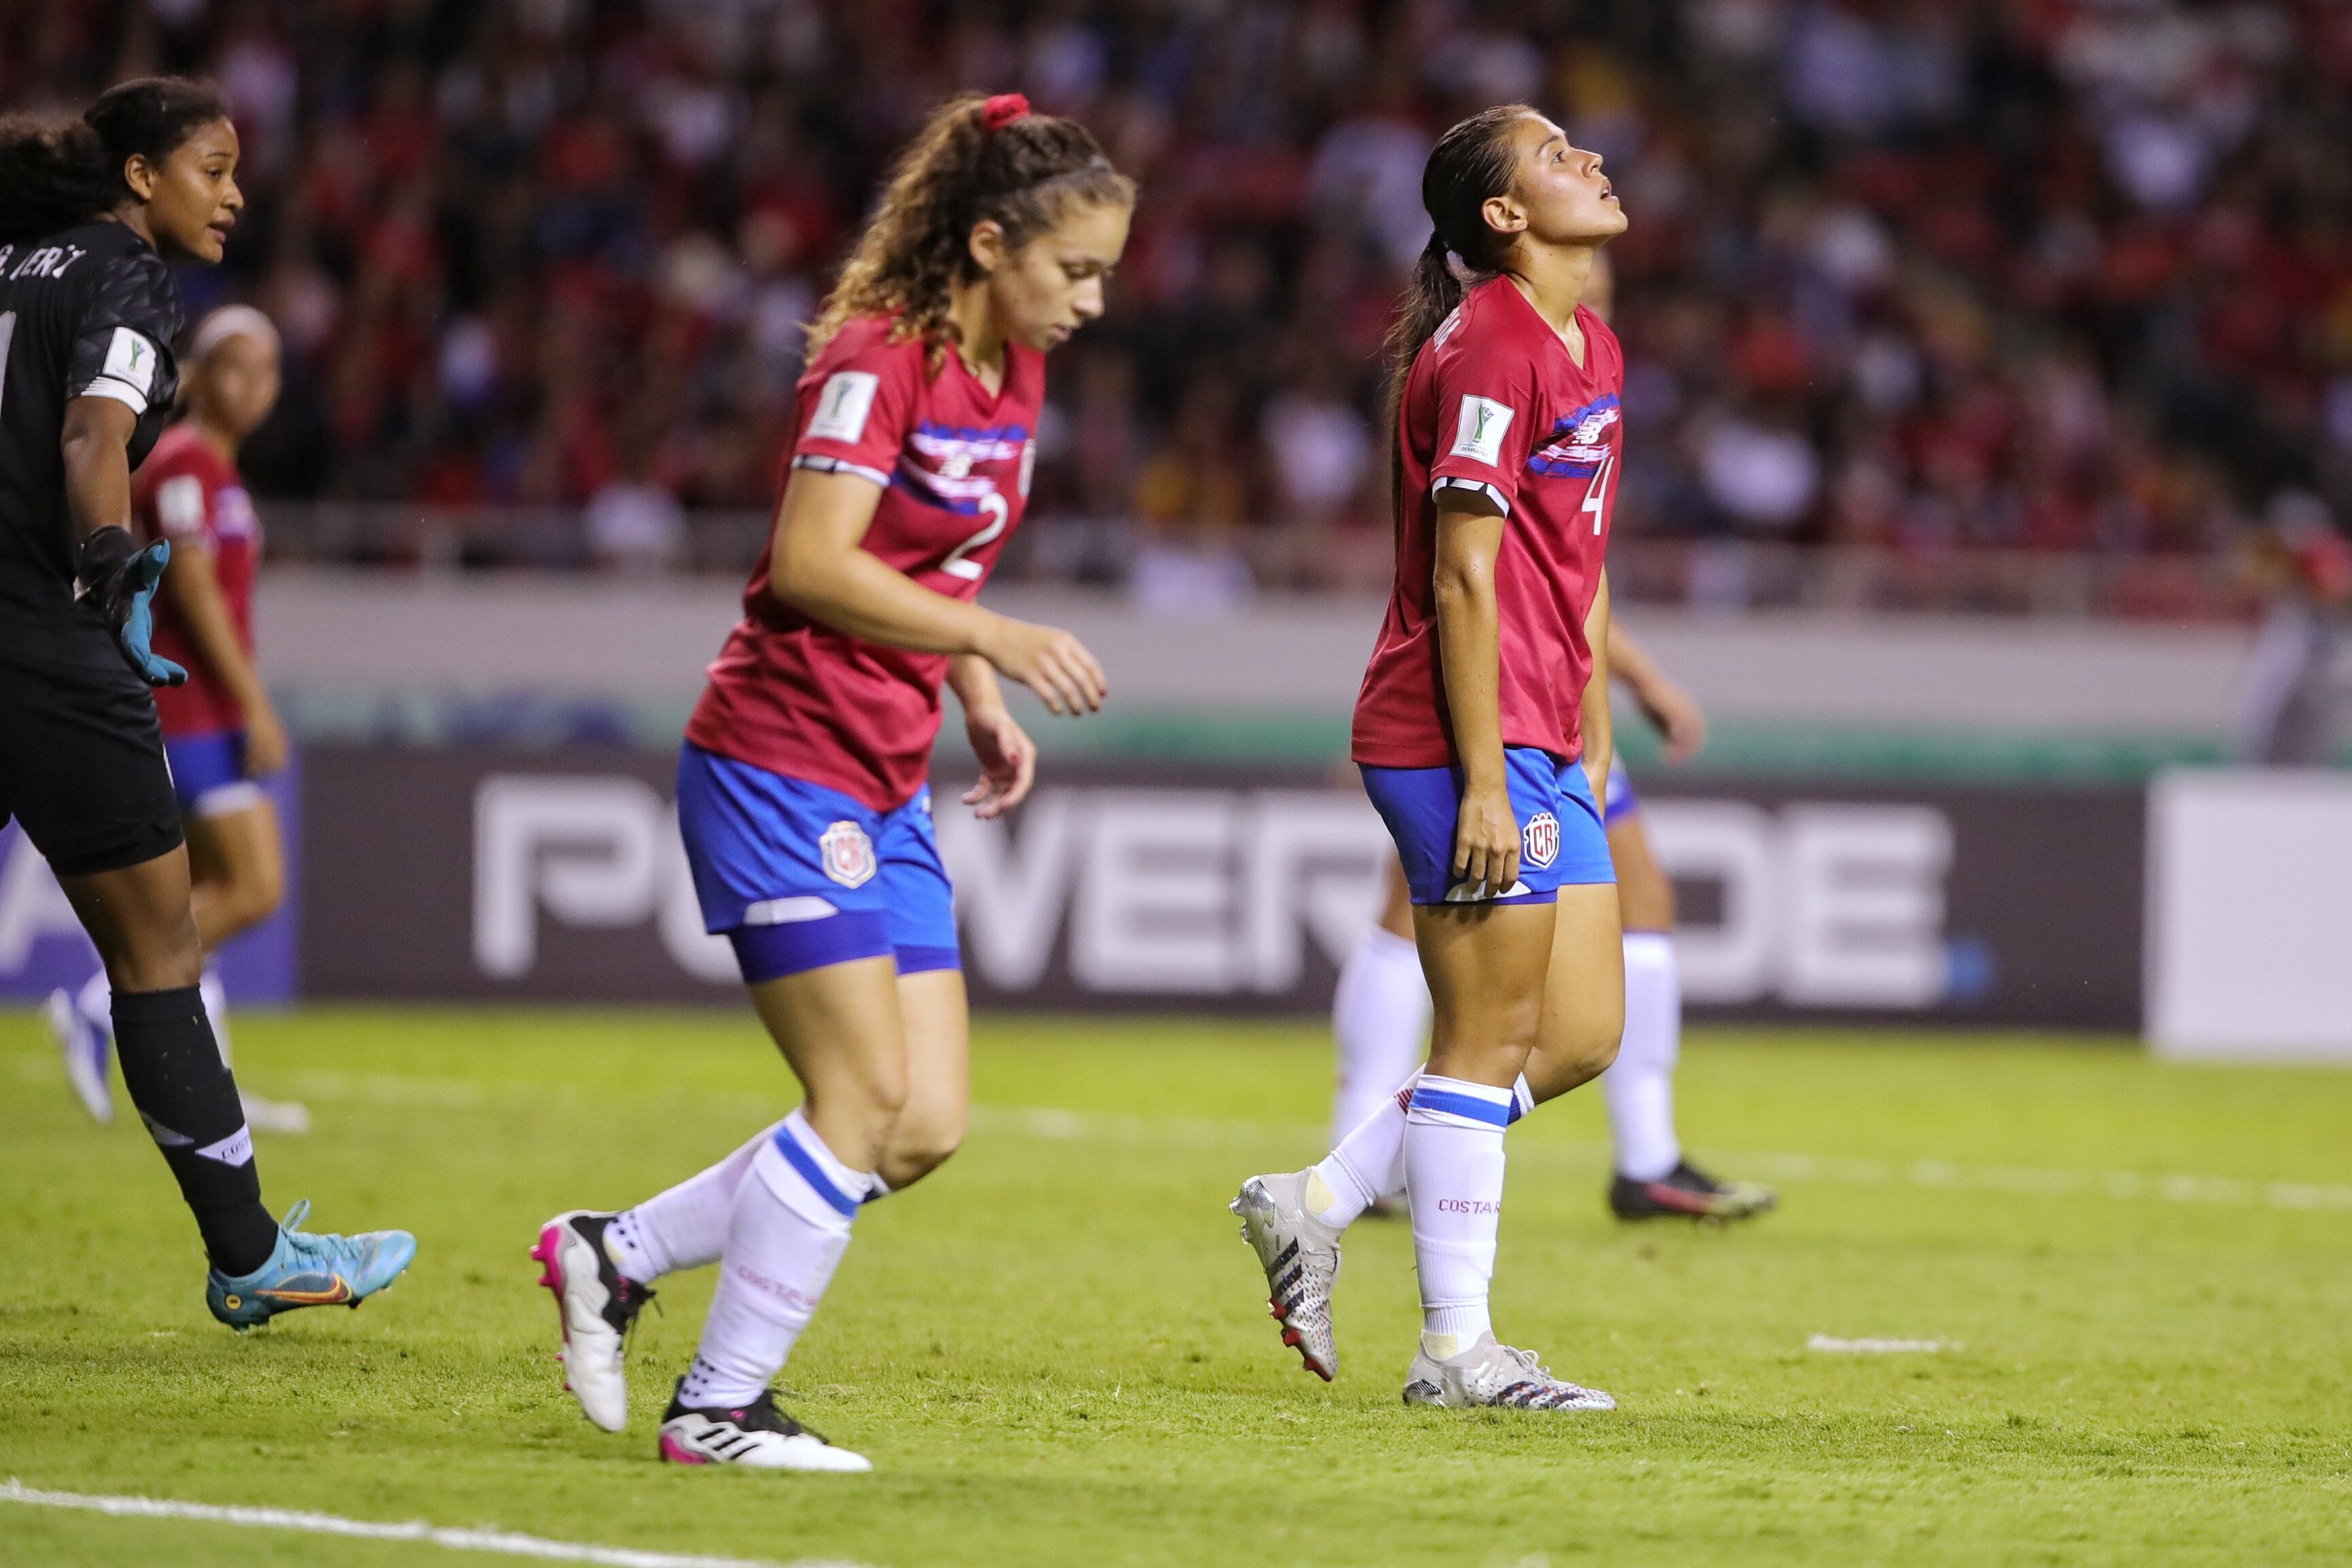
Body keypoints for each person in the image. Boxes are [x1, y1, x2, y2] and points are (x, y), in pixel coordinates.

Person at [531, 92, 1132, 1471]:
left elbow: (934, 562)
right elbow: (810, 561)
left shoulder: (1013, 372)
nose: (1091, 302)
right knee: (856, 1098)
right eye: (1073, 269)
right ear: (987, 243)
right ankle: (718, 1406)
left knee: (919, 1127)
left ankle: (617, 1252)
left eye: (1102, 273)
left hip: (882, 772)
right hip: (776, 763)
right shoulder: (878, 358)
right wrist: (998, 640)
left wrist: (973, 693)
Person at [1234, 103, 1630, 1411]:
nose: (1587, 159)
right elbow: (1463, 578)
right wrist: (1482, 779)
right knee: (1484, 1036)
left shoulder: (1588, 342)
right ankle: (1455, 1350)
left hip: (1540, 732)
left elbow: (1571, 565)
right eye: (1553, 155)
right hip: (1457, 732)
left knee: (1578, 1035)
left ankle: (1320, 1195)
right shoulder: (1488, 350)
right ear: (1502, 217)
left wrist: (1586, 733)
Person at [0, 79, 412, 1329]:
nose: (234, 195)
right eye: (213, 168)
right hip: (47, 651)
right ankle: (249, 1252)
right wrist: (111, 562)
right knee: (158, 951)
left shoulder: (10, 266)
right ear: (140, 176)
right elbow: (92, 437)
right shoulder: (124, 274)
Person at [1325, 619, 1775, 1223]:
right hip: (1512, 698)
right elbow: (1520, 587)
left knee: (1640, 901)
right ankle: (1362, 1156)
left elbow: (1570, 588)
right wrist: (1643, 681)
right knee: (1424, 899)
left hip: (1542, 695)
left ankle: (1648, 1159)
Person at [47, 304, 309, 1136]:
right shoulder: (186, 462)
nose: (255, 386)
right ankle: (98, 999)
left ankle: (211, 1081)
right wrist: (255, 703)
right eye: (238, 365)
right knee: (254, 888)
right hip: (191, 709)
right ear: (202, 373)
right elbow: (192, 588)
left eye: (269, 371)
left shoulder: (214, 468)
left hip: (202, 707)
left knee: (202, 898)